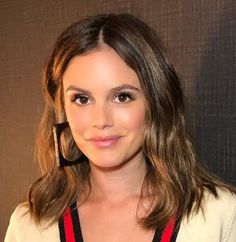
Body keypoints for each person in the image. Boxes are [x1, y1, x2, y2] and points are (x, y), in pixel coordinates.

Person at [4, 13, 236, 242]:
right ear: (62, 108)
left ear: (155, 101)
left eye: (122, 97)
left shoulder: (218, 216)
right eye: (82, 99)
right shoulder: (31, 225)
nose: (101, 120)